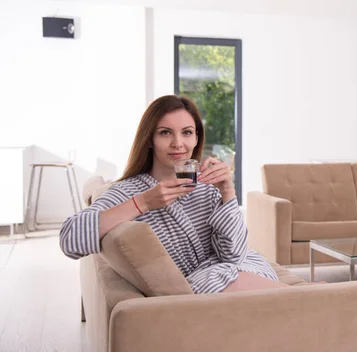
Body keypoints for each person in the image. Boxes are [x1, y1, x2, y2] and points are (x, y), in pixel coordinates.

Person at [59, 95, 280, 293]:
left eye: (187, 132)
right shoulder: (128, 191)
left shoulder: (206, 189)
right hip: (203, 285)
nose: (178, 143)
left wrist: (228, 193)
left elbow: (233, 255)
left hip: (240, 272)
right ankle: (306, 300)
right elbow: (70, 239)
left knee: (246, 273)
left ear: (196, 138)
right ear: (149, 140)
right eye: (165, 133)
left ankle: (306, 300)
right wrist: (143, 202)